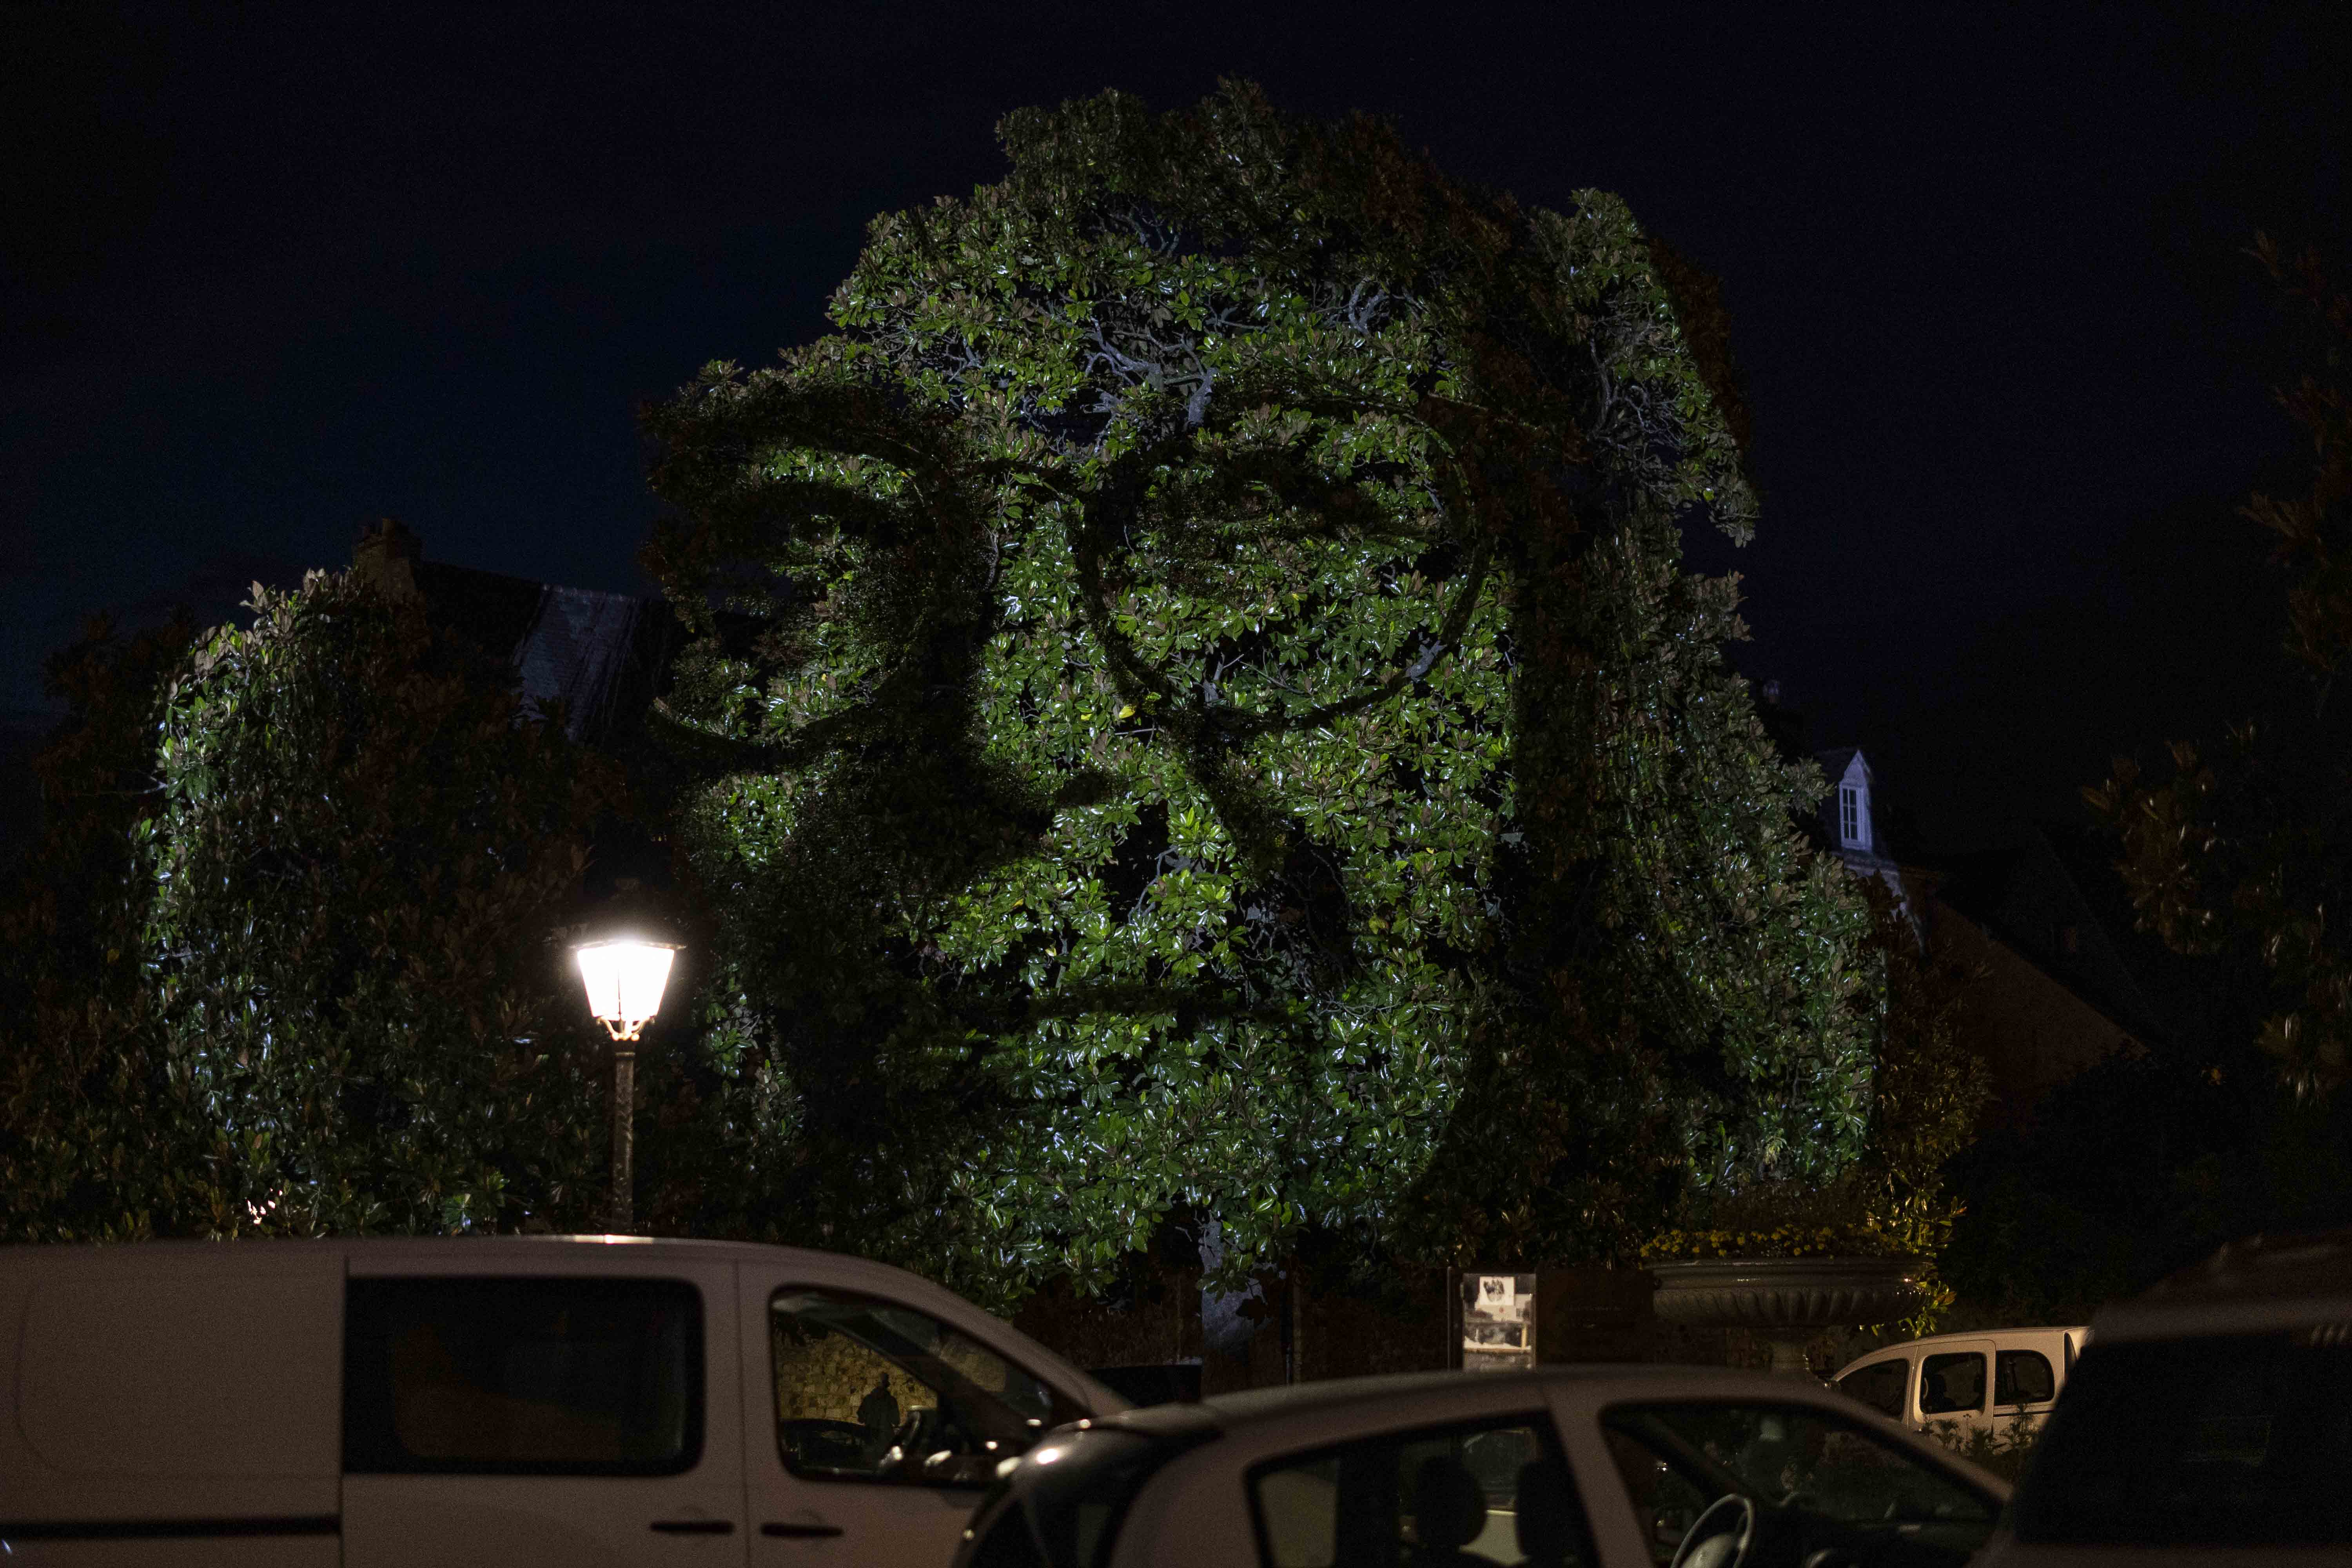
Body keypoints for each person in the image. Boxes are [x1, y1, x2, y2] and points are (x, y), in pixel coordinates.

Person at [858, 1371, 901, 1460]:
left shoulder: (868, 1399)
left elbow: (861, 1419)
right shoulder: (892, 1401)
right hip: (885, 1440)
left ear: (876, 1385)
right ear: (887, 1385)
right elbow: (896, 1421)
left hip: (870, 1438)